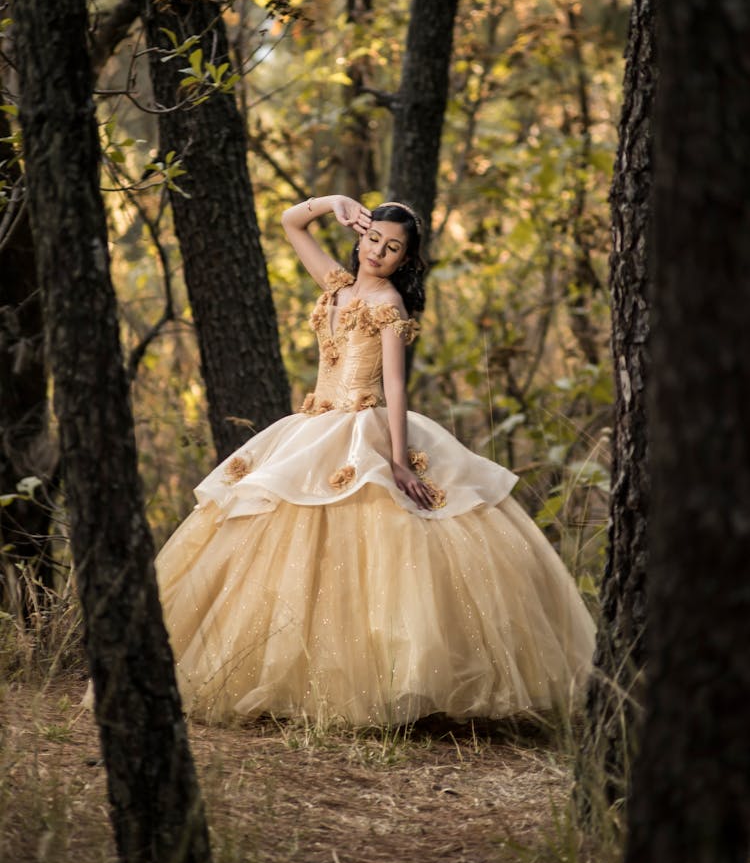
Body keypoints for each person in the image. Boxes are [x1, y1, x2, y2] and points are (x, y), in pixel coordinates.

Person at [153, 195, 595, 726]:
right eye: (372, 240)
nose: (377, 253)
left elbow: (395, 383)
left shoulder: (389, 302)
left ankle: (382, 685)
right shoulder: (337, 285)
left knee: (372, 541)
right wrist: (336, 202)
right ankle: (282, 681)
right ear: (359, 236)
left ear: (405, 259)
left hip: (363, 422)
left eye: (392, 248)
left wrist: (400, 459)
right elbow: (291, 223)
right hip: (313, 426)